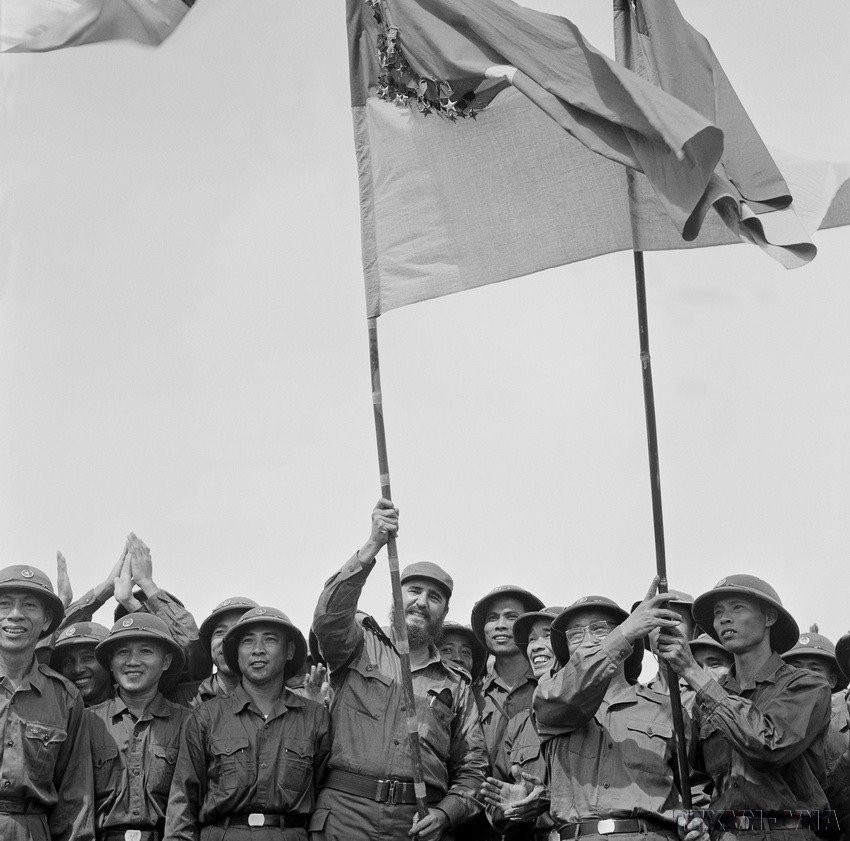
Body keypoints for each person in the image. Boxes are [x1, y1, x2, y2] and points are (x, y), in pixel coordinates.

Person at [311, 498, 488, 841]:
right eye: (414, 591)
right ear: (396, 593)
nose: (422, 602)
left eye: (434, 597)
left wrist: (445, 814)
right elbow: (328, 617)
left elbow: (473, 769)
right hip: (346, 814)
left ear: (445, 611)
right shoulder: (358, 645)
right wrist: (374, 542)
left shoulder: (457, 685)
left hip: (416, 823)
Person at [658, 574, 833, 841]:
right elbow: (697, 779)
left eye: (737, 607)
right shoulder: (707, 700)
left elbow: (769, 746)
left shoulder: (807, 685)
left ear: (769, 618)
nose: (724, 619)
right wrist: (699, 823)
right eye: (718, 612)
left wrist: (692, 670)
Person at [533, 585, 708, 841]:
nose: (588, 640)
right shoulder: (550, 699)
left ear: (629, 644)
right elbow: (567, 694)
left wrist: (696, 822)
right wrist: (625, 630)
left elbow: (694, 787)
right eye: (575, 635)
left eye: (600, 629)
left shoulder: (667, 709)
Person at [165, 605, 330, 840]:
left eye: (270, 640)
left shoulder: (316, 717)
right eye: (247, 642)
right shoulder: (205, 717)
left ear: (290, 650)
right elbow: (183, 801)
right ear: (236, 652)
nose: (258, 651)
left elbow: (324, 794)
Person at [0, 564, 95, 841]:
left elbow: (75, 799)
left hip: (30, 830)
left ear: (46, 620)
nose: (15, 615)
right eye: (4, 604)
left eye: (29, 606)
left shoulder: (64, 696)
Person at [87, 613, 189, 841]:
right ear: (111, 663)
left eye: (145, 651)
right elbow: (75, 803)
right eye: (123, 652)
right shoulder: (88, 722)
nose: (132, 661)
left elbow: (188, 804)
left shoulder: (188, 723)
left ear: (166, 662)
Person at [480, 605, 563, 841]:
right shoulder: (519, 724)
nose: (536, 645)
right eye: (531, 639)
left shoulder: (598, 714)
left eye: (547, 635)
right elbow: (496, 807)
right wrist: (510, 808)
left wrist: (550, 800)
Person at [782, 632, 850, 838]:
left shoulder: (842, 723)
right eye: (795, 667)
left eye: (815, 669)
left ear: (832, 680)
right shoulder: (768, 725)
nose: (804, 676)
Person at [471, 584, 545, 763]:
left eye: (511, 616)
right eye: (492, 618)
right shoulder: (471, 695)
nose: (500, 626)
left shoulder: (550, 687)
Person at [170, 596, 259, 707]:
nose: (227, 639)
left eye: (238, 631)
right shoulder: (180, 698)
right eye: (220, 632)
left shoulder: (281, 701)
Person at [51, 621, 112, 706]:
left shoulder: (134, 709)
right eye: (68, 661)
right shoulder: (55, 714)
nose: (77, 669)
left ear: (110, 662)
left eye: (87, 658)